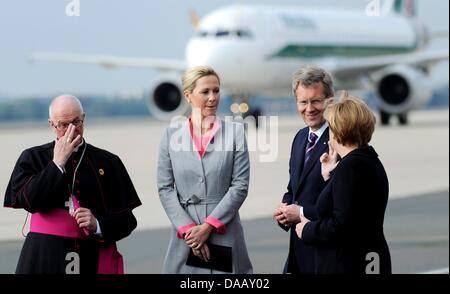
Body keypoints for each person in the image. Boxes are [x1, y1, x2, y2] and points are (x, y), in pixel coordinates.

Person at [4, 95, 141, 274]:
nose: (71, 130)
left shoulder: (108, 162)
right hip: (44, 256)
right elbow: (28, 202)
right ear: (51, 124)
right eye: (63, 125)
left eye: (76, 122)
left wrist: (98, 224)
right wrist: (57, 164)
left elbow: (127, 220)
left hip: (92, 256)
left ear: (84, 118)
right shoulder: (33, 157)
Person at [157, 66, 253, 274]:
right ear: (188, 95)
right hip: (186, 235)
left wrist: (208, 226)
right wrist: (189, 229)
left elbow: (240, 186)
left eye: (216, 91)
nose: (213, 98)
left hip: (223, 230)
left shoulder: (235, 132)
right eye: (205, 92)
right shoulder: (171, 135)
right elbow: (165, 188)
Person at [295, 93, 392, 274]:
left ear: (338, 131)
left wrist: (308, 229)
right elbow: (353, 209)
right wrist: (330, 177)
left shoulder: (351, 167)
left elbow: (342, 226)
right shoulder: (367, 160)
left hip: (350, 262)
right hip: (370, 258)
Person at [273, 66, 335, 274]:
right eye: (303, 102)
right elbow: (294, 188)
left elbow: (340, 201)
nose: (309, 108)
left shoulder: (340, 140)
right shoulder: (300, 138)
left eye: (316, 101)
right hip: (299, 250)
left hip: (327, 252)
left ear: (330, 100)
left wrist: (298, 213)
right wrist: (285, 209)